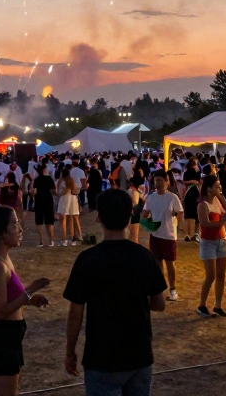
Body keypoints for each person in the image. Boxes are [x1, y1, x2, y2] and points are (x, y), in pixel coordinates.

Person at [63, 188, 168, 396]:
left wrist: (70, 352)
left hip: (101, 357)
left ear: (99, 217)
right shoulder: (143, 256)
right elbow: (160, 303)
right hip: (139, 355)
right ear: (130, 217)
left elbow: (75, 313)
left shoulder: (87, 259)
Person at [0, 207, 50, 396]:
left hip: (10, 337)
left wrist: (31, 300)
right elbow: (1, 311)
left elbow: (10, 299)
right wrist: (31, 289)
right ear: (1, 232)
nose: (20, 229)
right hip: (0, 339)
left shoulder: (4, 259)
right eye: (15, 224)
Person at [196, 174, 226, 318]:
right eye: (217, 186)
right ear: (209, 188)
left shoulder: (217, 201)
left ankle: (218, 305)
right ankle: (202, 304)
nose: (219, 188)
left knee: (220, 275)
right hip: (209, 242)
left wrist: (221, 196)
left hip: (221, 240)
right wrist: (221, 222)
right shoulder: (203, 205)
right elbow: (205, 224)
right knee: (210, 275)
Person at [143, 170, 183, 302]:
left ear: (167, 182)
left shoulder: (172, 197)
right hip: (155, 235)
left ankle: (173, 289)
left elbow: (180, 212)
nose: (158, 183)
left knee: (170, 264)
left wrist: (177, 219)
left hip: (169, 235)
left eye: (161, 180)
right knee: (157, 263)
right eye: (156, 181)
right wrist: (145, 223)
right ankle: (160, 288)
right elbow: (145, 213)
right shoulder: (151, 197)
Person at [31, 165, 57, 247]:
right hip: (48, 201)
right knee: (49, 221)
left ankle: (41, 241)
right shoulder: (49, 179)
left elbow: (34, 191)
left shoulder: (37, 180)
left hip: (39, 201)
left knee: (39, 222)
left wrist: (32, 195)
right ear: (44, 170)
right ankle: (51, 241)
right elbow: (53, 190)